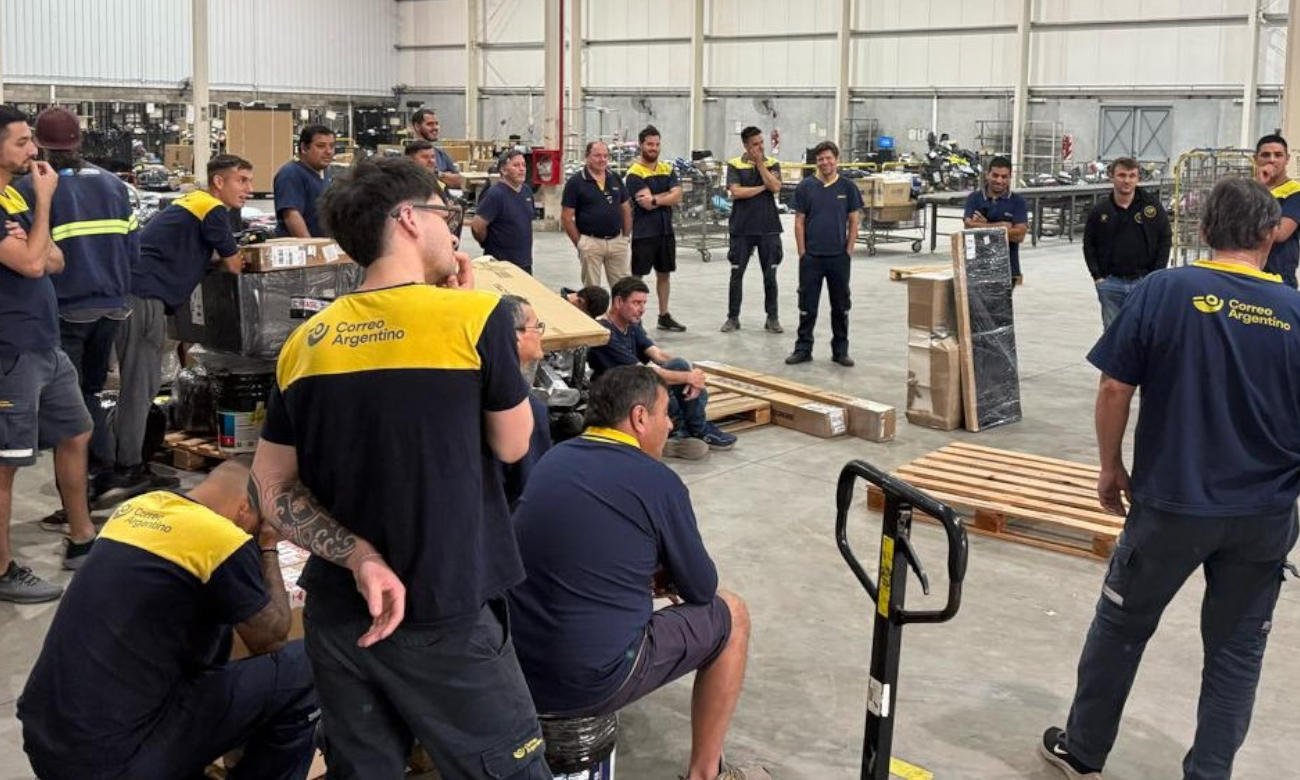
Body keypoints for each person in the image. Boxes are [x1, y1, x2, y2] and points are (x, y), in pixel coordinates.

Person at [248, 157, 550, 779]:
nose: (453, 231)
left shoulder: (305, 343)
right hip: (442, 606)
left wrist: (358, 556)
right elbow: (516, 444)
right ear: (409, 219)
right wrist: (478, 329)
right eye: (446, 215)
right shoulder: (475, 318)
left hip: (341, 612)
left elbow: (270, 486)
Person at [1040, 177, 1300, 780]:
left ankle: (1083, 751)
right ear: (1269, 235)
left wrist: (1110, 467)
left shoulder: (1166, 290)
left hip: (1171, 505)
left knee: (1122, 627)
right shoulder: (1294, 312)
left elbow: (1114, 387)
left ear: (1204, 231)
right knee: (1237, 654)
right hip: (1263, 517)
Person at [509, 365, 767, 780]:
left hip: (517, 661)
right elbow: (702, 587)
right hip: (589, 678)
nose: (669, 424)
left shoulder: (555, 458)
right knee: (731, 614)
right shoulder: (657, 481)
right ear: (639, 417)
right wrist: (663, 574)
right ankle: (707, 772)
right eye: (665, 413)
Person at [18, 459, 318, 780]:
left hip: (48, 743)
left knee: (211, 633)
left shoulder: (137, 510)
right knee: (306, 668)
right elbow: (271, 637)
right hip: (112, 763)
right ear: (245, 509)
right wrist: (268, 545)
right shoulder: (219, 538)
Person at [17, 107, 140, 504]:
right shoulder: (114, 185)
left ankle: (88, 481)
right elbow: (133, 248)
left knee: (68, 401)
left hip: (67, 307)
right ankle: (102, 474)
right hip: (114, 305)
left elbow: (31, 256)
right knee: (92, 389)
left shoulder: (30, 188)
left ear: (40, 145)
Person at [0, 106, 97, 599]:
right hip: (10, 351)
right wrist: (43, 204)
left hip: (45, 343)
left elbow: (53, 257)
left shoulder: (11, 198)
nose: (32, 151)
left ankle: (83, 538)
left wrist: (34, 240)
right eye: (20, 142)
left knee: (77, 431)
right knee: (6, 463)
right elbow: (36, 264)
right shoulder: (22, 199)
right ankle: (1, 569)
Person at [114, 154, 251, 493]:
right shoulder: (211, 208)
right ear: (219, 182)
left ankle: (134, 461)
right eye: (242, 180)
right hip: (143, 298)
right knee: (139, 386)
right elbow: (233, 264)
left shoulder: (192, 203)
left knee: (141, 385)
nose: (248, 189)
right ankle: (126, 469)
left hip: (138, 295)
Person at [588, 277, 735, 458]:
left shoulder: (631, 325)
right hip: (618, 397)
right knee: (671, 391)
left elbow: (658, 355)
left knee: (680, 367)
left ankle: (682, 431)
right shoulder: (605, 332)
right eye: (636, 303)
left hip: (635, 387)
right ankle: (693, 430)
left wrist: (690, 373)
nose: (641, 309)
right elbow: (643, 371)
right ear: (618, 302)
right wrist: (687, 378)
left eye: (644, 303)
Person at [785, 140, 862, 367]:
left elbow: (854, 221)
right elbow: (799, 221)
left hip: (838, 257)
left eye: (829, 158)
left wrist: (848, 250)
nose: (825, 162)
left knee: (840, 306)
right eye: (820, 159)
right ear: (816, 162)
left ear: (836, 159)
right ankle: (803, 349)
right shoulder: (805, 187)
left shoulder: (848, 187)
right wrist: (802, 252)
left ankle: (840, 351)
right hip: (812, 258)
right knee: (807, 306)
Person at [1082, 156, 1172, 328]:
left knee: (1143, 333)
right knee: (1112, 335)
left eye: (1132, 176)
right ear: (1112, 177)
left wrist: (1155, 276)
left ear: (1138, 178)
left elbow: (1165, 239)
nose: (1127, 180)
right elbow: (1089, 244)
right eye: (1122, 175)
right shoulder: (1100, 210)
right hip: (1111, 284)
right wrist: (1098, 277)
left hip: (1143, 283)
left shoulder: (1151, 208)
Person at [624, 125, 687, 332]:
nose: (654, 148)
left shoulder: (667, 169)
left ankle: (663, 315)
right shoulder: (634, 173)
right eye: (650, 144)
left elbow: (677, 196)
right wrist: (666, 197)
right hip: (644, 232)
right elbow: (644, 203)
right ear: (641, 145)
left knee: (664, 273)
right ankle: (633, 318)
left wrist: (657, 198)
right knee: (638, 277)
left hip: (665, 231)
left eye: (657, 144)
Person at [722, 126, 783, 334]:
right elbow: (736, 192)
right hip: (742, 228)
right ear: (746, 146)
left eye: (761, 143)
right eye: (755, 144)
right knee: (736, 273)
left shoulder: (772, 163)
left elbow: (775, 187)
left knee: (770, 275)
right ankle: (732, 318)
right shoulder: (734, 164)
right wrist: (761, 188)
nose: (760, 147)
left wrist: (760, 164)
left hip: (768, 228)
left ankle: (772, 318)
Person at [499, 295, 551, 509]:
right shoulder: (524, 408)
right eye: (536, 326)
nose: (540, 333)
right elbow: (532, 486)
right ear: (516, 337)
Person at [561, 140, 631, 287]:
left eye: (606, 156)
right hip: (591, 243)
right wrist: (580, 244)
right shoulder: (575, 183)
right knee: (592, 291)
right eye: (597, 155)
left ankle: (618, 311)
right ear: (587, 157)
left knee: (623, 289)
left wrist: (625, 237)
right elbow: (566, 218)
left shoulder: (615, 178)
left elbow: (625, 208)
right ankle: (593, 311)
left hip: (617, 242)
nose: (602, 159)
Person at [963, 155, 1028, 285]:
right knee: (977, 305)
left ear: (1010, 178)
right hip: (977, 268)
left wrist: (983, 225)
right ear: (987, 175)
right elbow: (969, 227)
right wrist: (1004, 226)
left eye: (1004, 177)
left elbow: (1020, 235)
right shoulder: (974, 198)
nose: (999, 180)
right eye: (995, 175)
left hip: (1008, 270)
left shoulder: (1018, 202)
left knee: (1001, 305)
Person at [470, 149, 536, 272]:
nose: (522, 169)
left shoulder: (526, 191)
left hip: (524, 262)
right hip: (500, 263)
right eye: (516, 165)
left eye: (523, 165)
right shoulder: (495, 194)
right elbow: (477, 226)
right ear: (503, 170)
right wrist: (487, 243)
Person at [1254, 133, 1300, 287]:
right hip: (1246, 272)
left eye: (1278, 155)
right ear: (1256, 159)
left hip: (1279, 277)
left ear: (1287, 159)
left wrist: (1261, 189)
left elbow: (1279, 234)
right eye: (1265, 155)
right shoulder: (1246, 190)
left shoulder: (1295, 192)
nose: (1271, 160)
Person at [273, 124, 334, 238]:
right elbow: (292, 215)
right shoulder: (291, 173)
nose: (328, 151)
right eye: (321, 146)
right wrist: (311, 249)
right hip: (301, 249)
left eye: (331, 146)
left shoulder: (325, 172)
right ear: (304, 148)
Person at [411, 108, 464, 189]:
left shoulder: (441, 154)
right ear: (417, 126)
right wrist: (446, 176)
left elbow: (459, 181)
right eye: (429, 124)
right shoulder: (407, 155)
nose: (435, 127)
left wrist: (437, 174)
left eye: (436, 124)